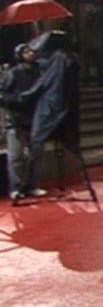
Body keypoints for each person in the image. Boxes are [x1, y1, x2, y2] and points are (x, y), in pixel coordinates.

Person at [1, 44, 45, 201]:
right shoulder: (13, 74)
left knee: (36, 156)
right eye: (26, 52)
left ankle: (33, 185)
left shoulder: (39, 74)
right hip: (16, 120)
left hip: (35, 120)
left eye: (31, 51)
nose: (30, 54)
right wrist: (18, 100)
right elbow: (2, 95)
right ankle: (16, 187)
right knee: (16, 157)